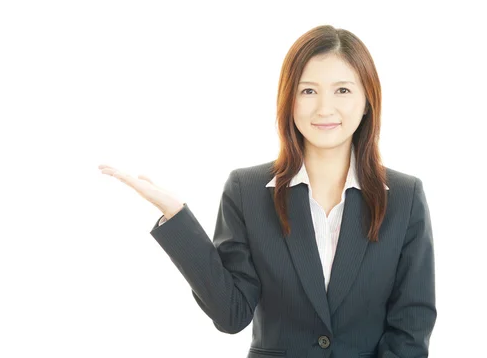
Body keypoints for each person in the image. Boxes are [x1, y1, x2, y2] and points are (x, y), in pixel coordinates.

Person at [98, 25, 436, 358]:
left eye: (343, 90)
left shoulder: (404, 197)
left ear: (367, 102)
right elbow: (232, 314)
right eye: (308, 91)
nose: (324, 108)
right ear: (289, 100)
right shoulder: (247, 191)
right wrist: (176, 216)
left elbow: (411, 324)